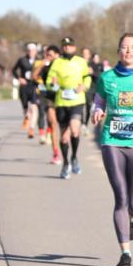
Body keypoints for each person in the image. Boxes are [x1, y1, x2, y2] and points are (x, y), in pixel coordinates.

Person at [90, 34, 133, 266]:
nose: (128, 51)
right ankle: (125, 254)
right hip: (112, 141)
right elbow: (99, 102)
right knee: (121, 197)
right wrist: (97, 111)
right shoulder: (107, 78)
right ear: (118, 51)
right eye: (124, 47)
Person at [47, 37, 91, 178]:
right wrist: (53, 84)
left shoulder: (81, 62)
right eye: (64, 46)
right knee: (64, 138)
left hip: (77, 100)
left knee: (75, 130)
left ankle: (74, 157)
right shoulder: (57, 63)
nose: (67, 48)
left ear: (74, 47)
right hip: (61, 101)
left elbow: (87, 77)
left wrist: (85, 86)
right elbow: (49, 82)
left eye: (69, 46)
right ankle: (66, 163)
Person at [36, 45, 63, 164]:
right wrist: (42, 64)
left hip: (63, 98)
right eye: (46, 55)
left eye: (50, 55)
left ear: (57, 55)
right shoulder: (45, 67)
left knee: (64, 128)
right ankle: (56, 154)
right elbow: (34, 76)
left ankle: (66, 149)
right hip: (50, 98)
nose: (47, 57)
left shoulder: (63, 66)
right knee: (52, 123)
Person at [12, 43, 40, 138]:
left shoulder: (39, 60)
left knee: (33, 107)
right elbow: (13, 70)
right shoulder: (22, 60)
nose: (31, 52)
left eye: (33, 50)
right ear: (27, 51)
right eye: (30, 50)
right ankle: (27, 118)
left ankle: (31, 129)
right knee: (25, 108)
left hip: (34, 86)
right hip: (24, 86)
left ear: (36, 51)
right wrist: (19, 78)